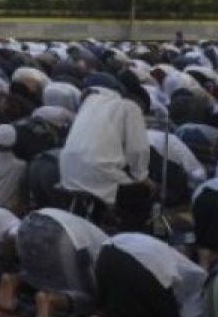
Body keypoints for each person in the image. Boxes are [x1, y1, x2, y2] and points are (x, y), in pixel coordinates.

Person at [86, 232, 206, 317]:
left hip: (111, 248)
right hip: (147, 265)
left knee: (117, 312)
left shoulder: (193, 270)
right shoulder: (203, 286)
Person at [58, 87, 150, 222]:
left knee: (110, 178)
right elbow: (137, 150)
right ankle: (133, 233)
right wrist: (142, 176)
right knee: (141, 193)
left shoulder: (90, 102)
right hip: (98, 172)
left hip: (67, 171)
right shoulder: (131, 108)